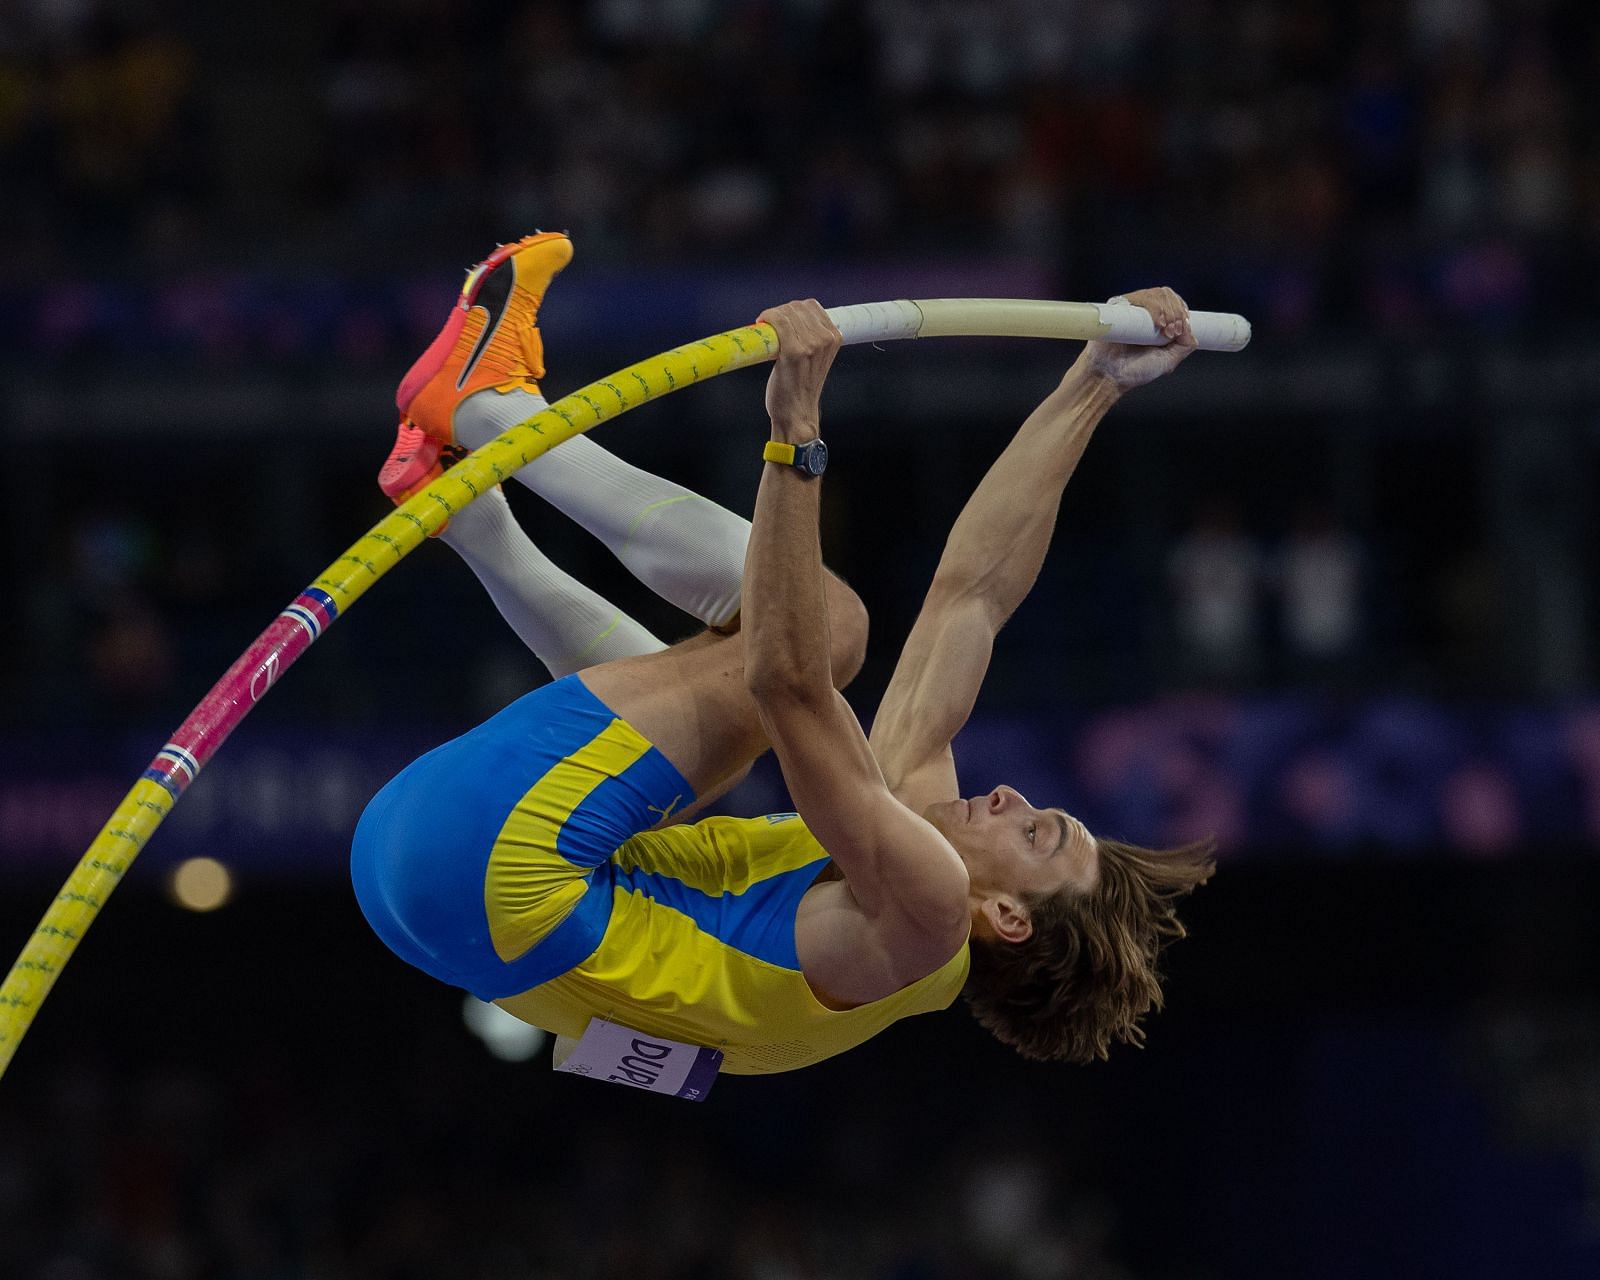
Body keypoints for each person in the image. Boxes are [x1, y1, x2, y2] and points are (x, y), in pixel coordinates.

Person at [352, 232, 1215, 1085]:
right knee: (722, 729)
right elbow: (972, 597)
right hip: (427, 900)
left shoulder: (929, 907)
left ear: (1006, 918)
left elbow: (789, 679)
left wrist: (796, 428)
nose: (1009, 797)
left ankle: (490, 407)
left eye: (1035, 832)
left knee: (828, 634)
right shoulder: (901, 908)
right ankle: (469, 517)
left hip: (489, 863)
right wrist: (1093, 382)